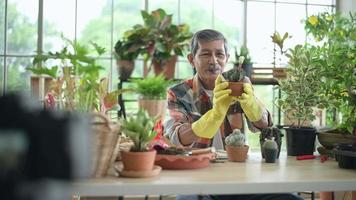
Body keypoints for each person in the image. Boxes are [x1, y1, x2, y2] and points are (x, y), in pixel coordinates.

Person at [164, 29, 303, 200]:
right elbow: (177, 138)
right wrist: (214, 115)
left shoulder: (237, 85)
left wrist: (252, 105)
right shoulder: (179, 93)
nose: (213, 61)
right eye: (205, 54)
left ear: (227, 59)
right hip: (197, 178)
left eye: (219, 54)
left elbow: (265, 125)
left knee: (289, 198)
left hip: (237, 177)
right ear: (192, 59)